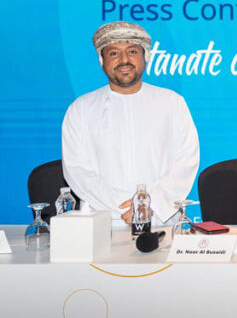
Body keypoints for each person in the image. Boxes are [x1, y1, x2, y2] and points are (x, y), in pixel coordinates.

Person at [61, 21, 200, 226]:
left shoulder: (172, 102)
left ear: (146, 58)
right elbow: (77, 170)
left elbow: (185, 161)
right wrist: (127, 207)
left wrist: (149, 205)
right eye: (114, 53)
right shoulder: (81, 109)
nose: (124, 60)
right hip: (103, 222)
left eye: (132, 51)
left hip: (159, 219)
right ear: (102, 61)